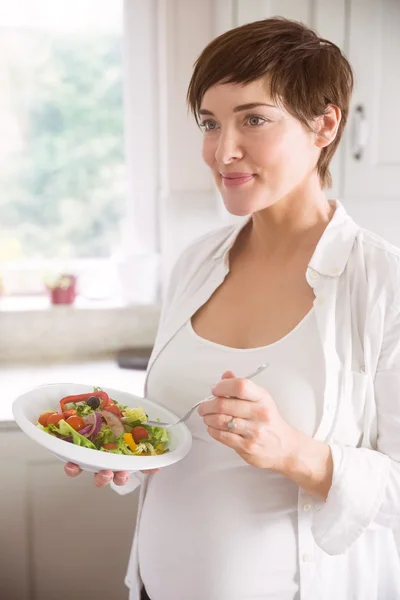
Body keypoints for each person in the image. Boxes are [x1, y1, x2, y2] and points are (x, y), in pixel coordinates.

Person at [65, 17, 400, 600]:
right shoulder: (196, 262)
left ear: (324, 124)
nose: (224, 150)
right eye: (210, 123)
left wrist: (297, 454)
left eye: (254, 119)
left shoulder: (383, 283)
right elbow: (181, 438)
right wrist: (126, 448)